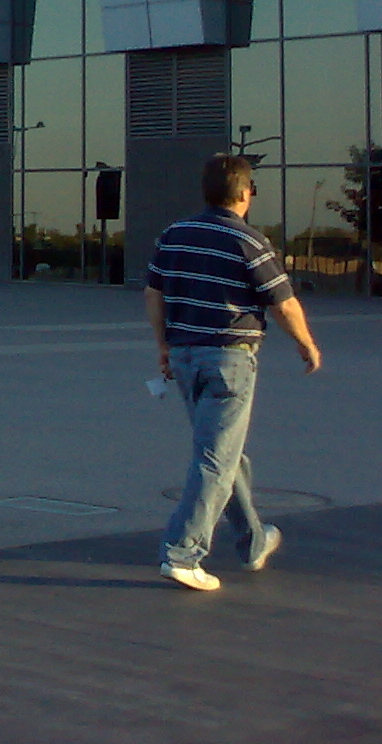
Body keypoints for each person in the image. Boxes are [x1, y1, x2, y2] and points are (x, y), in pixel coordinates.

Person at [145, 153, 321, 592]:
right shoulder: (249, 241)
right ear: (245, 193)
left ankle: (253, 539)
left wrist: (163, 344)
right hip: (229, 360)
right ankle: (182, 553)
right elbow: (283, 302)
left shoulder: (174, 235)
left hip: (185, 357)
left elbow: (154, 292)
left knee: (224, 453)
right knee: (214, 458)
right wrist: (306, 342)